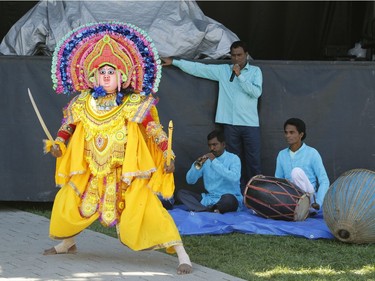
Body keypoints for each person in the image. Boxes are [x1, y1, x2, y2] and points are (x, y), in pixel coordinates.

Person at [42, 22, 192, 275]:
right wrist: (57, 143)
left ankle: (181, 253)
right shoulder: (83, 102)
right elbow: (68, 126)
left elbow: (154, 130)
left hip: (125, 172)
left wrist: (168, 152)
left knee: (147, 211)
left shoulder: (135, 103)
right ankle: (68, 242)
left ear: (123, 77)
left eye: (112, 72)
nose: (107, 76)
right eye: (102, 73)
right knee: (69, 201)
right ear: (93, 77)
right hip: (90, 169)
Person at [162, 41, 263, 192]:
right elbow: (199, 68)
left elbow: (256, 93)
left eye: (239, 55)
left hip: (250, 124)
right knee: (232, 161)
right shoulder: (223, 70)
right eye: (233, 55)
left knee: (253, 161)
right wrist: (175, 62)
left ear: (246, 55)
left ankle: (256, 194)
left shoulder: (255, 72)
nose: (236, 59)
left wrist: (240, 76)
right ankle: (238, 194)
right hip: (230, 123)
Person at [176, 129, 243, 213]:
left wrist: (214, 161)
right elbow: (190, 181)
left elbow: (234, 178)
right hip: (209, 199)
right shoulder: (206, 160)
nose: (212, 148)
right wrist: (196, 166)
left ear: (223, 144)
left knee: (229, 199)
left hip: (228, 198)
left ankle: (210, 208)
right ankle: (209, 209)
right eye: (209, 145)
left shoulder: (234, 158)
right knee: (181, 193)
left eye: (215, 145)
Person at [275, 118, 330, 209]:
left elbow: (324, 180)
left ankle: (310, 207)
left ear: (301, 134)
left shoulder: (312, 153)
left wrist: (319, 202)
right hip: (290, 199)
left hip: (310, 198)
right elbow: (278, 181)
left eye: (292, 132)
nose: (288, 135)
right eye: (286, 132)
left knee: (296, 172)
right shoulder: (281, 154)